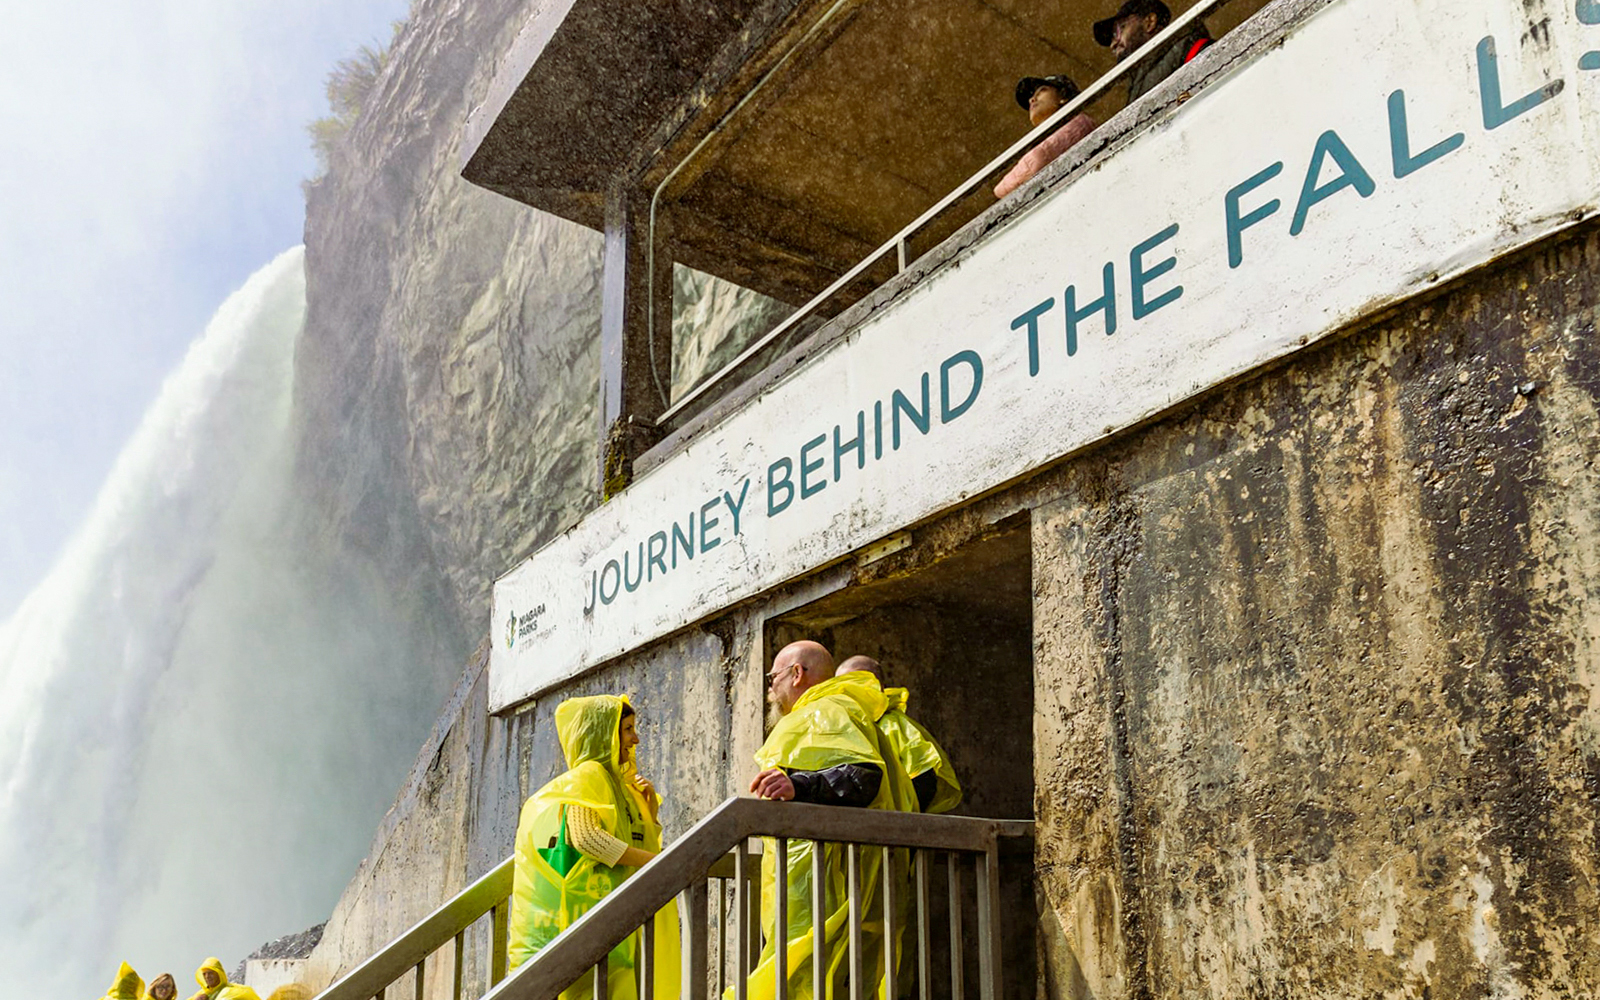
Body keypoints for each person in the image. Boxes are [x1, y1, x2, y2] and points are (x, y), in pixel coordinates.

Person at [741, 640, 917, 1000]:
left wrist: (797, 784)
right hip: (833, 880)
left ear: (797, 673)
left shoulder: (825, 709)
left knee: (800, 980)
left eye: (773, 677)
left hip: (824, 884)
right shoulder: (841, 712)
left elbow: (862, 776)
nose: (770, 688)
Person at [507, 695, 679, 1000]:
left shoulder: (617, 784)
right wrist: (661, 862)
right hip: (584, 931)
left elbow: (631, 840)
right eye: (627, 729)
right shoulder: (589, 776)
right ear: (604, 735)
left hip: (605, 932)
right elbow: (588, 839)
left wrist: (649, 812)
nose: (635, 739)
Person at [835, 656, 962, 814]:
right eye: (840, 685)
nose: (847, 692)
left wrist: (898, 817)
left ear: (880, 687)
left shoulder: (892, 725)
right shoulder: (846, 725)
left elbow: (924, 778)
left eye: (857, 683)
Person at [994, 74, 1099, 199]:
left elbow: (1036, 161)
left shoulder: (1080, 123)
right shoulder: (1041, 141)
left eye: (1042, 91)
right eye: (1031, 97)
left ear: (1063, 97)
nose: (1031, 100)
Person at [1093, 0, 1213, 103]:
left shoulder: (1194, 51)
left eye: (1120, 30)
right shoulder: (1137, 84)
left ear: (1149, 22)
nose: (1113, 44)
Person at [187, 958, 262, 1000]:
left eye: (210, 973)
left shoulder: (233, 991)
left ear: (219, 973)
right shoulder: (201, 994)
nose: (207, 976)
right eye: (204, 974)